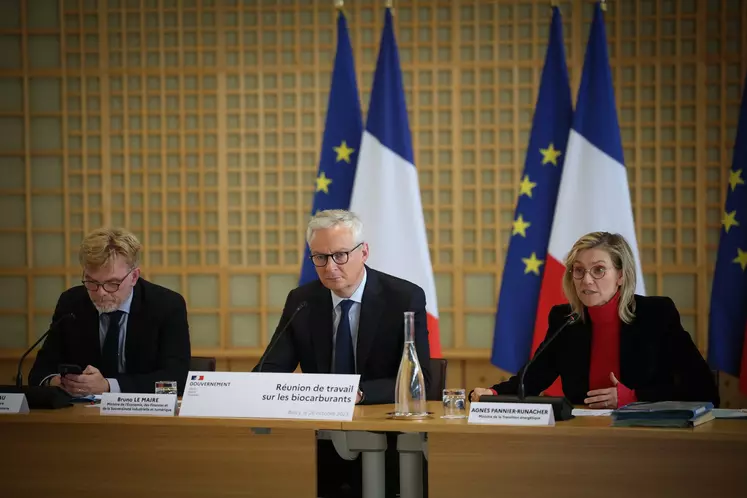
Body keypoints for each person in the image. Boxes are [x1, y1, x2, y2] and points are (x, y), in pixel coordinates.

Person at [254, 209, 432, 498]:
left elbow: (420, 378)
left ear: (363, 252)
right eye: (320, 258)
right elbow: (270, 369)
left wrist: (358, 394)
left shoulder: (404, 297)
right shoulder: (303, 300)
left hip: (388, 438)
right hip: (316, 441)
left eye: (340, 255)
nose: (330, 267)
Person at [472, 231, 720, 409]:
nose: (587, 280)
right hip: (583, 438)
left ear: (621, 275)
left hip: (649, 437)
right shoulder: (565, 320)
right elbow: (532, 379)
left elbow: (702, 388)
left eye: (599, 270)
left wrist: (634, 397)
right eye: (579, 270)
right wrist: (492, 393)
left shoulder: (656, 315)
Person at [29, 228, 192, 396]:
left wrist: (109, 386)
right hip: (82, 416)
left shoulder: (167, 305)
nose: (101, 293)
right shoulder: (71, 303)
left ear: (134, 277)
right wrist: (56, 382)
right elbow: (38, 374)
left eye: (112, 283)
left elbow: (177, 382)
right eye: (92, 282)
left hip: (144, 416)